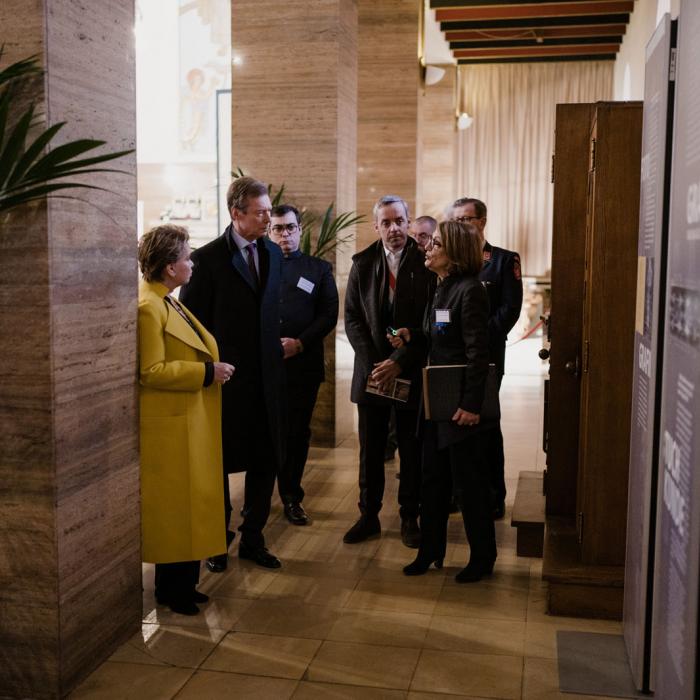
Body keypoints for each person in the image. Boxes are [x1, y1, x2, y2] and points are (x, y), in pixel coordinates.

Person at [180, 176, 286, 571]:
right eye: (260, 212)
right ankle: (216, 540)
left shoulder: (274, 255)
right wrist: (207, 371)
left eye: (269, 211)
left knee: (266, 459)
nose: (267, 219)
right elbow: (193, 324)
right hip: (227, 381)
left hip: (269, 380)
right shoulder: (206, 260)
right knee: (219, 463)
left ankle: (254, 538)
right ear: (235, 213)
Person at [137, 224, 234, 615]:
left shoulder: (168, 300)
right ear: (167, 267)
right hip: (170, 426)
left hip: (188, 420)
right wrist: (206, 374)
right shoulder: (149, 307)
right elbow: (151, 370)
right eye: (185, 257)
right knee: (176, 511)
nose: (191, 263)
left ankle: (183, 584)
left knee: (190, 505)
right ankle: (172, 589)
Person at [392, 220, 496, 582]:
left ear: (453, 253)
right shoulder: (440, 288)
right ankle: (430, 551)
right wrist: (412, 335)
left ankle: (483, 558)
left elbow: (477, 353)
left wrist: (470, 404)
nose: (427, 247)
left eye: (435, 243)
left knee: (468, 486)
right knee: (431, 480)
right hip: (434, 401)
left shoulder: (470, 291)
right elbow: (435, 335)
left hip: (458, 405)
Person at [344, 194, 433, 547]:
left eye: (399, 221)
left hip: (408, 369)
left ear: (409, 222)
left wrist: (399, 362)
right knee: (371, 450)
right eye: (386, 222)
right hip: (372, 372)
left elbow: (431, 319)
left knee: (410, 450)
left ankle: (409, 516)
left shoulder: (426, 263)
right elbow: (352, 318)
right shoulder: (363, 263)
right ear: (375, 226)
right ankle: (368, 516)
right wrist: (376, 365)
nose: (394, 228)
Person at [451, 197, 523, 519]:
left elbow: (509, 310)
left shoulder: (504, 261)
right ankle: (460, 492)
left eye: (467, 219)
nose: (463, 226)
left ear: (482, 221)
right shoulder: (450, 260)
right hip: (454, 359)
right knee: (455, 425)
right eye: (457, 221)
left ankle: (494, 495)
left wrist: (476, 337)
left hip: (489, 356)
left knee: (487, 425)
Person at [268, 204, 339, 525]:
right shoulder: (259, 267)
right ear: (269, 232)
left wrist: (299, 343)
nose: (285, 234)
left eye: (290, 228)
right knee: (268, 433)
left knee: (297, 434)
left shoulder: (318, 268)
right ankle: (259, 498)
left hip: (303, 365)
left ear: (300, 230)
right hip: (266, 365)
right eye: (278, 228)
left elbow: (328, 314)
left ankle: (292, 497)